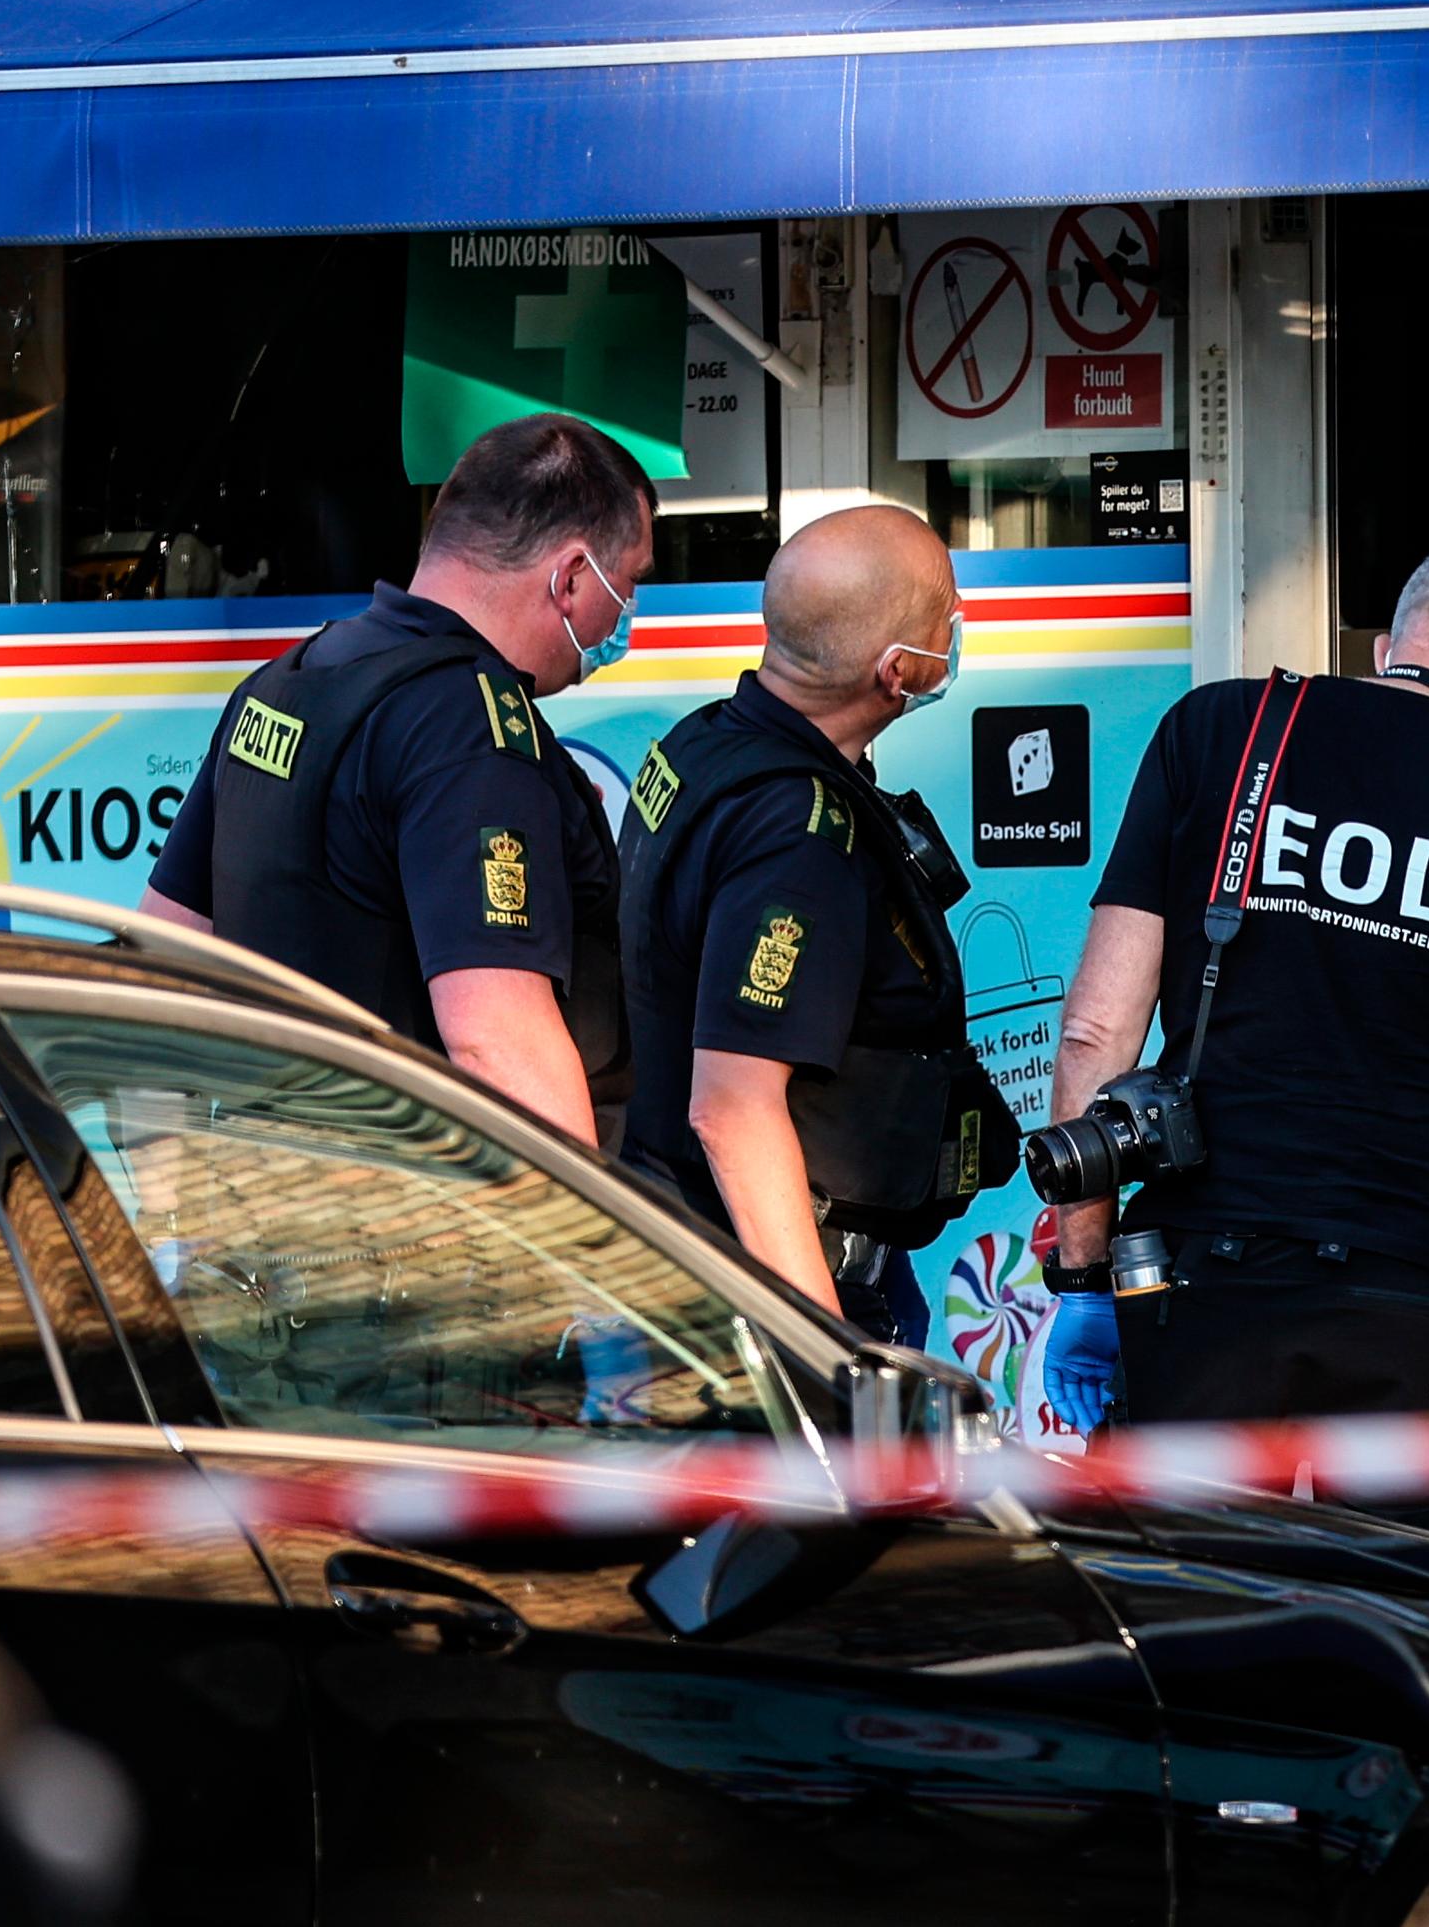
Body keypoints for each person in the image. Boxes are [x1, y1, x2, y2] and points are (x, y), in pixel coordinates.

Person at [1037, 531, 1429, 1548]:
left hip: (1202, 1299)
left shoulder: (1218, 729)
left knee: (1191, 1646)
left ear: (1395, 640)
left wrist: (1085, 1281)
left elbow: (1095, 1033)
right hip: (1416, 1314)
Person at [141, 412, 648, 1152]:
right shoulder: (468, 724)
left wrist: (167, 1191)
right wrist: (598, 1254)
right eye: (629, 582)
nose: (627, 613)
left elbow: (164, 953)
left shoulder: (289, 681)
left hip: (275, 1197)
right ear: (572, 576)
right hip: (420, 1226)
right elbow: (498, 1043)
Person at [612, 505, 1010, 1346]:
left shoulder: (706, 743)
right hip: (771, 1288)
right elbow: (733, 1107)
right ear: (898, 670)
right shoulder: (798, 832)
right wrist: (826, 1362)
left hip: (710, 1254)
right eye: (946, 614)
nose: (957, 630)